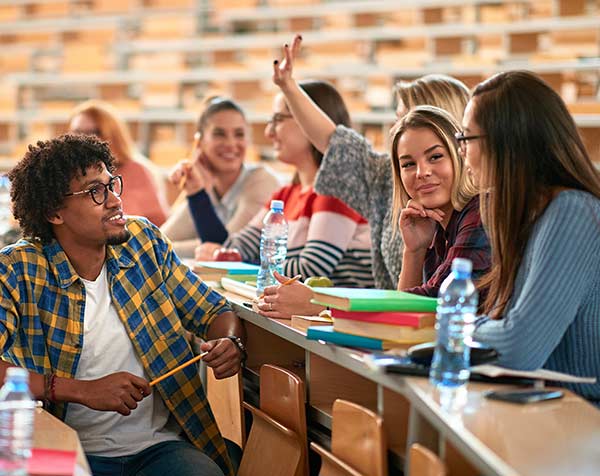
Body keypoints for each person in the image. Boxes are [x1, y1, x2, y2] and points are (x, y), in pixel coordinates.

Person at [1, 134, 247, 475]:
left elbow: (213, 310)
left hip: (159, 447)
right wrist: (81, 391)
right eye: (95, 192)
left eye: (111, 185)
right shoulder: (18, 270)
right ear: (54, 212)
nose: (116, 200)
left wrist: (229, 341)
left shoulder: (143, 242)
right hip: (66, 449)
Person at [271, 35, 489, 296]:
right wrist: (288, 86)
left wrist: (322, 303)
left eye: (434, 156)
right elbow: (337, 144)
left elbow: (430, 303)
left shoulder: (477, 211)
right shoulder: (398, 185)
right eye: (399, 121)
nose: (401, 131)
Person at [462, 71, 600, 405]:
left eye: (466, 139)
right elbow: (504, 328)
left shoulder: (572, 212)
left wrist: (453, 326)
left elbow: (518, 347)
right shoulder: (529, 216)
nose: (463, 153)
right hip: (550, 414)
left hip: (581, 428)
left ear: (505, 143)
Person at [195, 81, 374, 318]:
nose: (269, 132)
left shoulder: (338, 191)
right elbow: (235, 248)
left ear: (309, 119)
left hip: (344, 325)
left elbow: (310, 270)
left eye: (278, 120)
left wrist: (247, 264)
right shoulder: (285, 195)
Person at [161, 96, 280, 258]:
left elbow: (227, 249)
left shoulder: (261, 180)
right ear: (199, 142)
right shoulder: (205, 187)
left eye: (239, 134)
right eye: (219, 134)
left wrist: (197, 195)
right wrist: (198, 190)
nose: (231, 143)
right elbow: (158, 241)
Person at [69, 100, 169, 226]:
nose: (84, 140)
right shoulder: (67, 176)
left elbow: (160, 225)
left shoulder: (137, 171)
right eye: (77, 133)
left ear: (113, 135)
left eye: (94, 132)